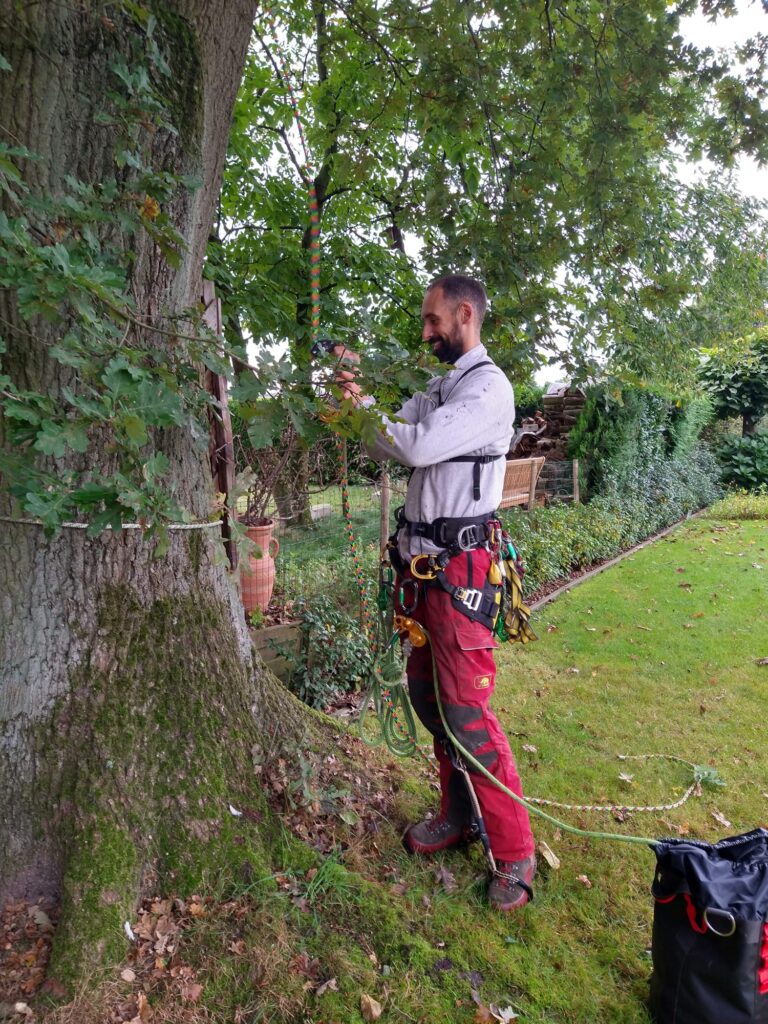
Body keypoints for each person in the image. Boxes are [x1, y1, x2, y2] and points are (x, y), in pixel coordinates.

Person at [334, 274, 536, 911]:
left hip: (461, 576)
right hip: (422, 573)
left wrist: (362, 403)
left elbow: (416, 447)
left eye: (432, 321)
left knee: (468, 714)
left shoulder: (487, 390)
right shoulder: (441, 387)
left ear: (465, 314)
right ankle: (459, 813)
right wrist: (351, 395)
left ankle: (516, 853)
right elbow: (388, 432)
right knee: (428, 699)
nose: (424, 332)